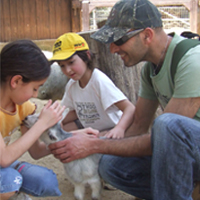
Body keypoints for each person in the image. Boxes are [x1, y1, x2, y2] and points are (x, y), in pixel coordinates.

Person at [49, 0, 200, 199]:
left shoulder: (192, 60)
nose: (112, 49)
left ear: (147, 35)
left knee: (166, 124)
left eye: (118, 40)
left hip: (188, 146)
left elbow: (168, 138)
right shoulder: (149, 69)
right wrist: (90, 141)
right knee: (110, 167)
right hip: (187, 150)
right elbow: (138, 126)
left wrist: (94, 145)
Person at [0, 40, 65, 200]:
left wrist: (68, 140)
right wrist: (42, 123)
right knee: (9, 182)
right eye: (35, 88)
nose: (36, 95)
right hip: (3, 164)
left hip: (3, 166)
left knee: (46, 181)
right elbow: (5, 158)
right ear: (16, 81)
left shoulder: (24, 107)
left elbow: (35, 152)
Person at [49, 32, 135, 139]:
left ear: (87, 56)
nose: (67, 70)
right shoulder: (72, 85)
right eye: (62, 66)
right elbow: (75, 112)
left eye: (71, 62)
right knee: (62, 128)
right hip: (93, 131)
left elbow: (130, 108)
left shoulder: (98, 80)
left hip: (111, 130)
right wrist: (56, 120)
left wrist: (119, 129)